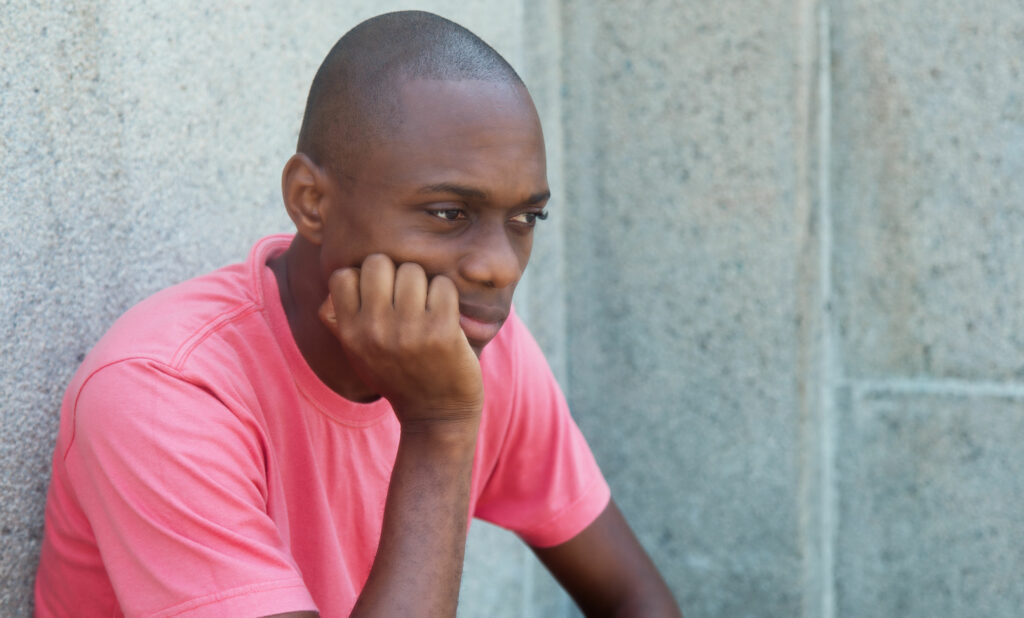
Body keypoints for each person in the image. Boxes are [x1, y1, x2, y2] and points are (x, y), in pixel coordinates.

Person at [35, 10, 681, 617]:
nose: (500, 266)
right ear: (311, 201)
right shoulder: (163, 393)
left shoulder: (484, 344)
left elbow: (637, 600)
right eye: (449, 214)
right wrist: (439, 428)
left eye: (525, 219)